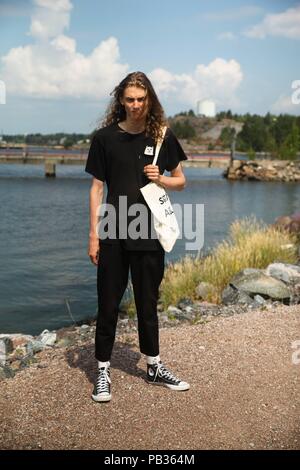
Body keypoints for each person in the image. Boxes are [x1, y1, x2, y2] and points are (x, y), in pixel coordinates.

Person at [85, 71, 190, 403]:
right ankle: (102, 370)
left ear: (150, 101)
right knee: (108, 304)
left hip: (150, 233)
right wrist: (93, 235)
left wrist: (161, 179)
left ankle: (154, 366)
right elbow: (96, 188)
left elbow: (181, 181)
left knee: (148, 303)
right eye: (129, 99)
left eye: (141, 100)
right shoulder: (104, 138)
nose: (135, 105)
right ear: (120, 100)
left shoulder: (162, 136)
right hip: (114, 230)